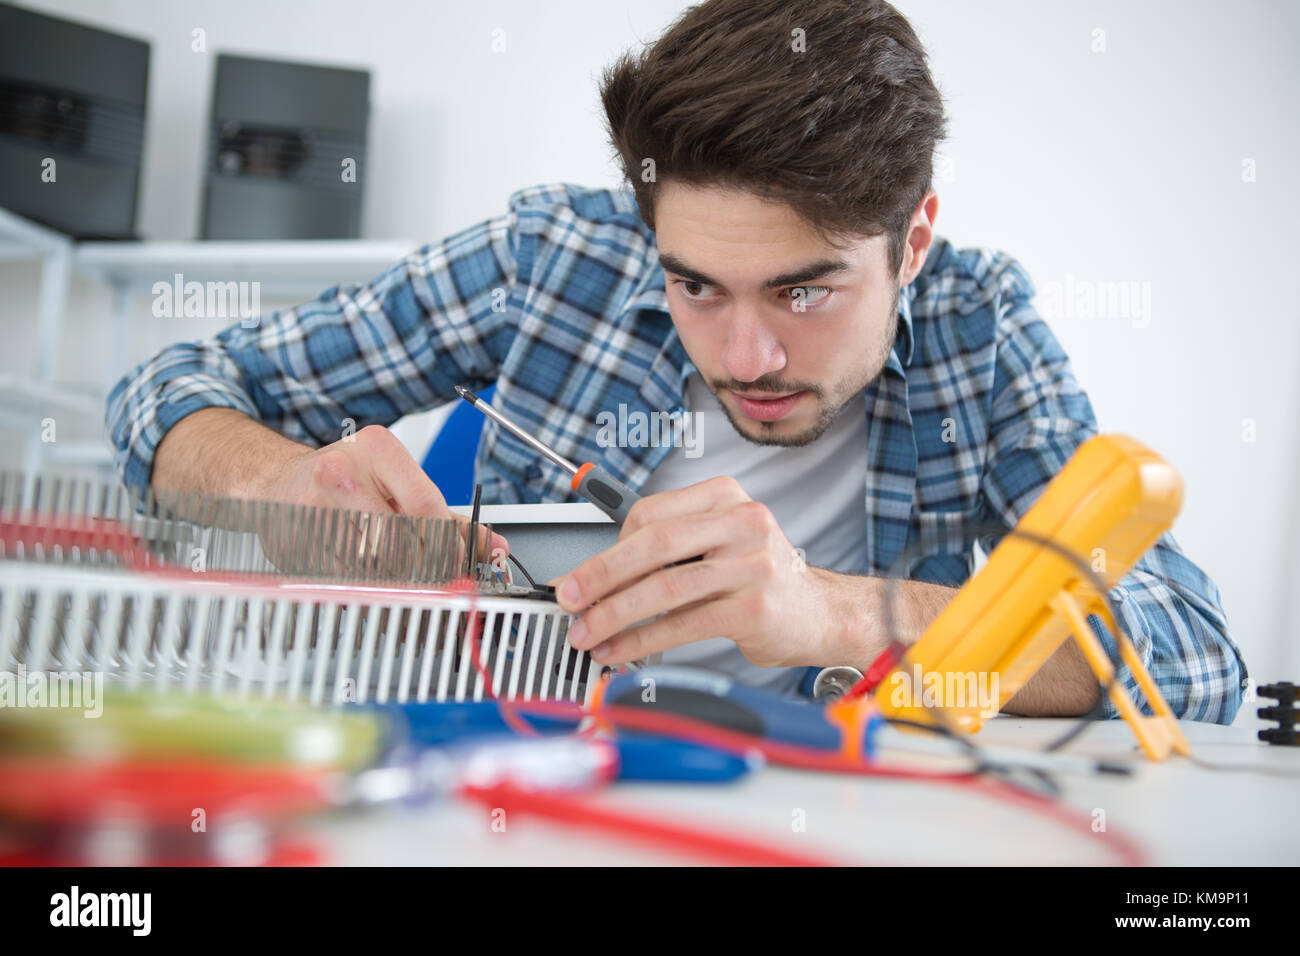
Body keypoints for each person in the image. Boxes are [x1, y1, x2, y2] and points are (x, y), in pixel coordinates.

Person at [105, 0, 1246, 721]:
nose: (745, 355)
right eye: (694, 282)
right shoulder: (556, 256)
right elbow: (171, 387)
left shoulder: (978, 329)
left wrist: (837, 616)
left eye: (803, 288)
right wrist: (279, 483)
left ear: (913, 241)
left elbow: (1191, 649)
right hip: (523, 782)